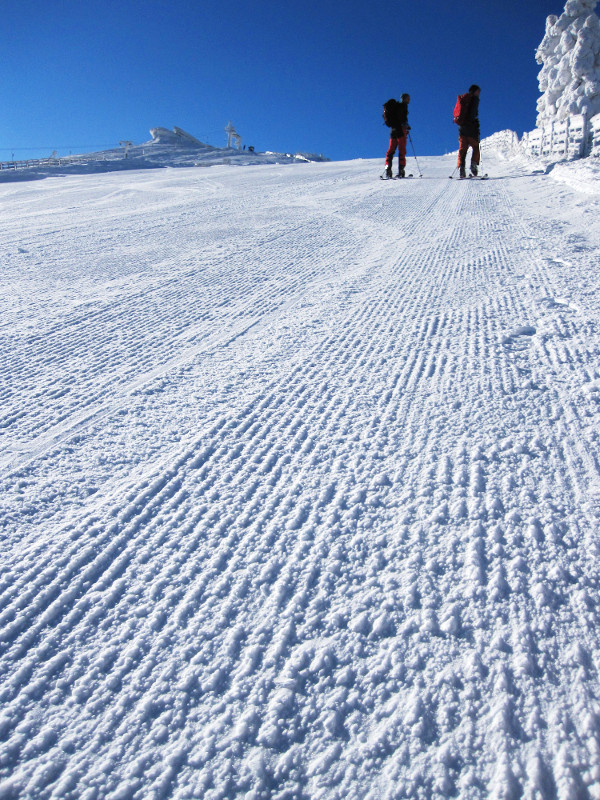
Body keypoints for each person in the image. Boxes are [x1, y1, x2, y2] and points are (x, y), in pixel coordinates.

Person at [384, 94, 411, 178]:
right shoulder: (403, 106)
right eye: (408, 98)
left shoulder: (395, 106)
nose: (409, 100)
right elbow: (402, 118)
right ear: (405, 99)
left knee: (391, 150)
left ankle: (387, 169)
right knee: (402, 149)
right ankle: (401, 170)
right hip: (401, 130)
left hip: (393, 130)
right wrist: (406, 126)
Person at [457, 85, 481, 178]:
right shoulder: (474, 99)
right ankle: (473, 165)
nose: (479, 93)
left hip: (462, 128)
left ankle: (461, 168)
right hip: (471, 128)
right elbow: (472, 115)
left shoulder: (463, 99)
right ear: (474, 91)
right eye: (478, 91)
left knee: (463, 149)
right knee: (475, 147)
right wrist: (476, 126)